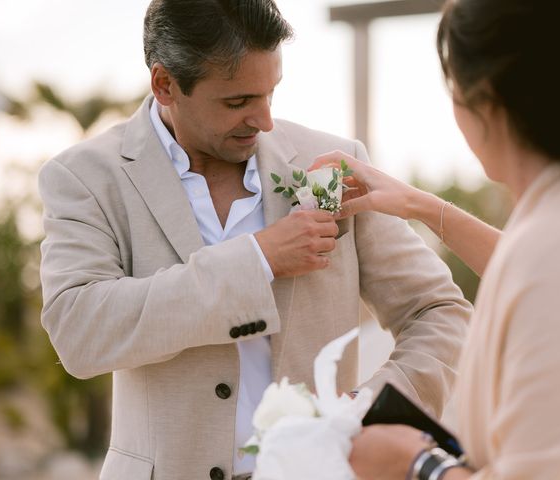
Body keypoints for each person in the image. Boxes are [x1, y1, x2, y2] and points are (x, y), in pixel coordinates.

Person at [37, 1, 471, 479]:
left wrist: (369, 410)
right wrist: (258, 259)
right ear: (165, 85)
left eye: (271, 93)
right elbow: (79, 332)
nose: (264, 120)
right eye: (238, 102)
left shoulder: (331, 162)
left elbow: (439, 310)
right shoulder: (83, 178)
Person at [312, 0, 560, 478]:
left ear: (484, 101)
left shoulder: (556, 260)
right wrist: (418, 204)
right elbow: (533, 267)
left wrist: (416, 463)